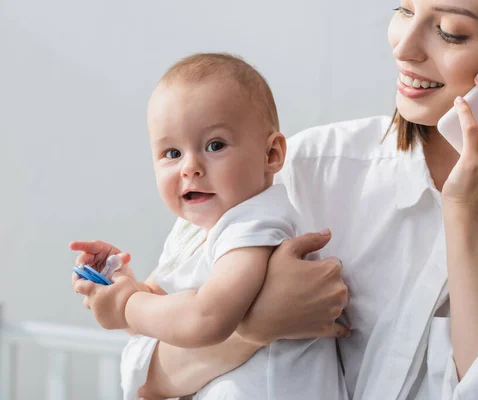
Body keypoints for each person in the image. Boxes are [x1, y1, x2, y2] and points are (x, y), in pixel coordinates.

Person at [78, 0, 478, 399]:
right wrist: (255, 328)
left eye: (450, 31)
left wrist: (467, 214)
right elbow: (145, 375)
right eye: (404, 10)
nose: (404, 46)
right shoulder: (296, 168)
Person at [69, 53, 349, 400]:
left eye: (214, 145)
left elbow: (206, 318)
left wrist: (126, 305)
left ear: (271, 155)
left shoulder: (254, 223)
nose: (190, 168)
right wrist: (120, 284)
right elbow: (160, 318)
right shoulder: (190, 229)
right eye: (172, 153)